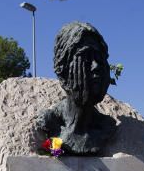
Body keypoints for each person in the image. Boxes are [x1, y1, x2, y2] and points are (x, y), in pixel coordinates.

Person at [35, 21, 117, 155]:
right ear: (63, 71)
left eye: (99, 58)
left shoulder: (106, 126)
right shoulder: (49, 122)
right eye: (86, 57)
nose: (96, 66)